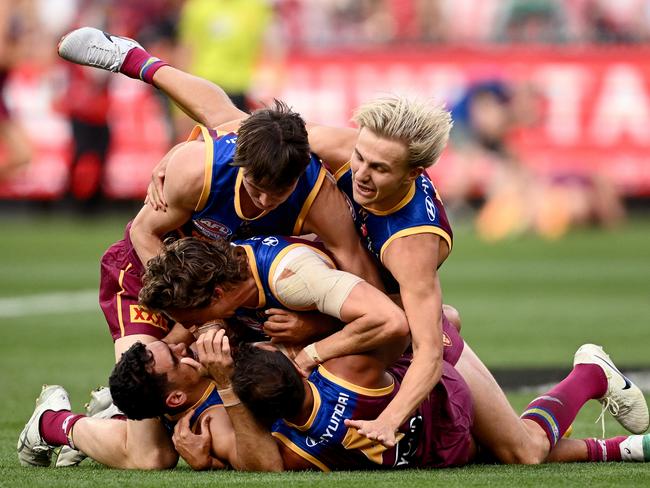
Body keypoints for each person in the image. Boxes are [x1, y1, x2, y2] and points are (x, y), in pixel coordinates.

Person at [57, 26, 649, 463]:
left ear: (413, 173)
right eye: (359, 158)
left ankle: (591, 375)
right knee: (155, 450)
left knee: (517, 449)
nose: (361, 174)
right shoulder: (329, 151)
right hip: (200, 273)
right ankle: (122, 405)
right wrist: (136, 62)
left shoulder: (405, 241)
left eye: (380, 169)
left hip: (350, 304)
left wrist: (384, 415)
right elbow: (224, 113)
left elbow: (409, 337)